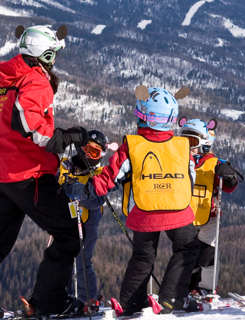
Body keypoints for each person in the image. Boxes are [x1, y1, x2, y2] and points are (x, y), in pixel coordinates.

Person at [0, 25, 92, 320]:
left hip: (1, 174)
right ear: (44, 54)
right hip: (29, 175)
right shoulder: (34, 80)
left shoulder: (7, 80)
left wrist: (58, 136)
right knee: (68, 234)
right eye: (53, 54)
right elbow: (30, 125)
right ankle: (49, 302)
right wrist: (66, 138)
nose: (54, 60)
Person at [82, 85, 202, 315]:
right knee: (187, 247)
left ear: (143, 118)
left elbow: (111, 176)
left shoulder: (133, 146)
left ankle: (130, 303)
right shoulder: (182, 146)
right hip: (177, 209)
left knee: (143, 256)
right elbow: (191, 178)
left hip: (144, 212)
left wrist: (87, 189)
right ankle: (171, 298)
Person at [178, 118, 243, 300]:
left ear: (205, 144)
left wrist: (228, 177)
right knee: (185, 253)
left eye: (192, 142)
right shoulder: (179, 161)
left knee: (207, 253)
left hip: (209, 215)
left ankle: (205, 287)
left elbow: (229, 187)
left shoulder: (213, 163)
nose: (188, 147)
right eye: (184, 141)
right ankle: (185, 286)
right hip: (184, 215)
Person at [58, 130, 110, 307]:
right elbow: (58, 182)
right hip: (66, 217)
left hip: (89, 220)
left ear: (101, 155)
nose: (89, 155)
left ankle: (89, 298)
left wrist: (80, 193)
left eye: (95, 152)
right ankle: (61, 297)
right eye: (87, 149)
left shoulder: (99, 172)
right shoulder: (68, 165)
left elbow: (98, 199)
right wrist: (65, 183)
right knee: (62, 257)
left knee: (82, 259)